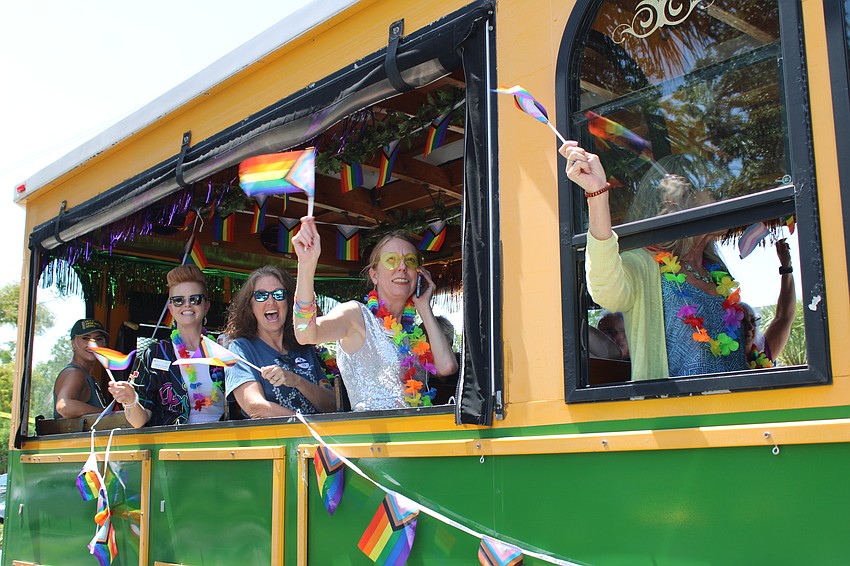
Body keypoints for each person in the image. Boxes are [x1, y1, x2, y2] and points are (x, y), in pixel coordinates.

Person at [561, 141, 747, 379]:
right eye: (714, 190)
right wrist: (597, 194)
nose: (723, 197)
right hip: (679, 413)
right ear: (681, 200)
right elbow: (605, 289)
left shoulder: (717, 272)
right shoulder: (644, 263)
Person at [291, 221, 459, 411]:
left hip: (412, 436)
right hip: (373, 437)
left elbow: (447, 368)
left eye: (410, 260)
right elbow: (305, 333)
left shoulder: (411, 335)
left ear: (418, 274)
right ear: (374, 275)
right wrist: (306, 265)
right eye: (391, 260)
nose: (402, 267)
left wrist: (424, 307)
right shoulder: (355, 315)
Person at [108, 265, 226, 427]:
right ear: (171, 308)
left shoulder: (223, 350)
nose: (187, 305)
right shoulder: (154, 353)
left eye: (195, 299)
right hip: (173, 446)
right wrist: (130, 400)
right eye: (178, 300)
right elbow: (138, 421)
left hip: (223, 442)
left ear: (206, 306)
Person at [224, 265, 335, 418]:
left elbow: (332, 406)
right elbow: (255, 407)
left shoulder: (304, 346)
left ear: (289, 303)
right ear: (250, 306)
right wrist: (307, 427)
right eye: (261, 295)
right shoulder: (240, 349)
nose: (270, 301)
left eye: (278, 294)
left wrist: (296, 380)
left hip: (317, 440)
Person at [741, 239, 796, 367]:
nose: (749, 328)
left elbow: (784, 317)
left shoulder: (761, 353)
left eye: (753, 321)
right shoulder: (718, 358)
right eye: (741, 322)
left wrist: (786, 269)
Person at [53, 319, 109, 418]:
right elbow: (64, 406)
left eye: (98, 339)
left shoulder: (89, 376)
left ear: (104, 344)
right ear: (73, 343)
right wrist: (105, 413)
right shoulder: (75, 373)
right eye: (85, 338)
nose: (92, 344)